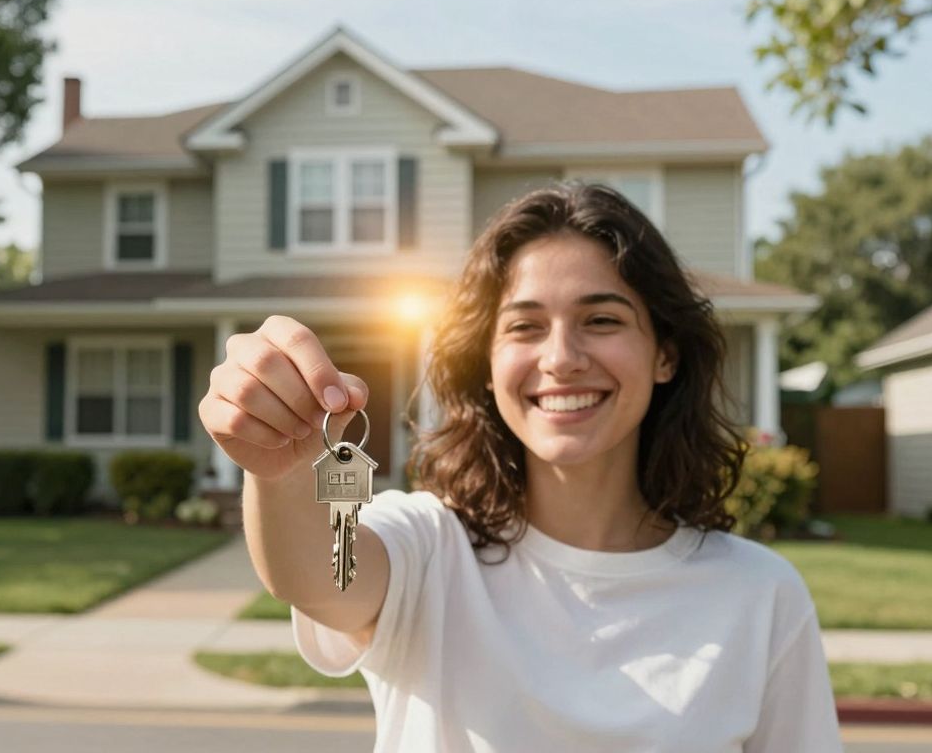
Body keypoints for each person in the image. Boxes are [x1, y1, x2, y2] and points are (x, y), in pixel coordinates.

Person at [199, 182, 842, 752]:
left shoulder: (761, 595)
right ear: (487, 361)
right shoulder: (428, 550)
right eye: (525, 327)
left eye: (600, 319)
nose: (561, 358)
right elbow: (312, 577)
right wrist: (278, 470)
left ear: (665, 355)